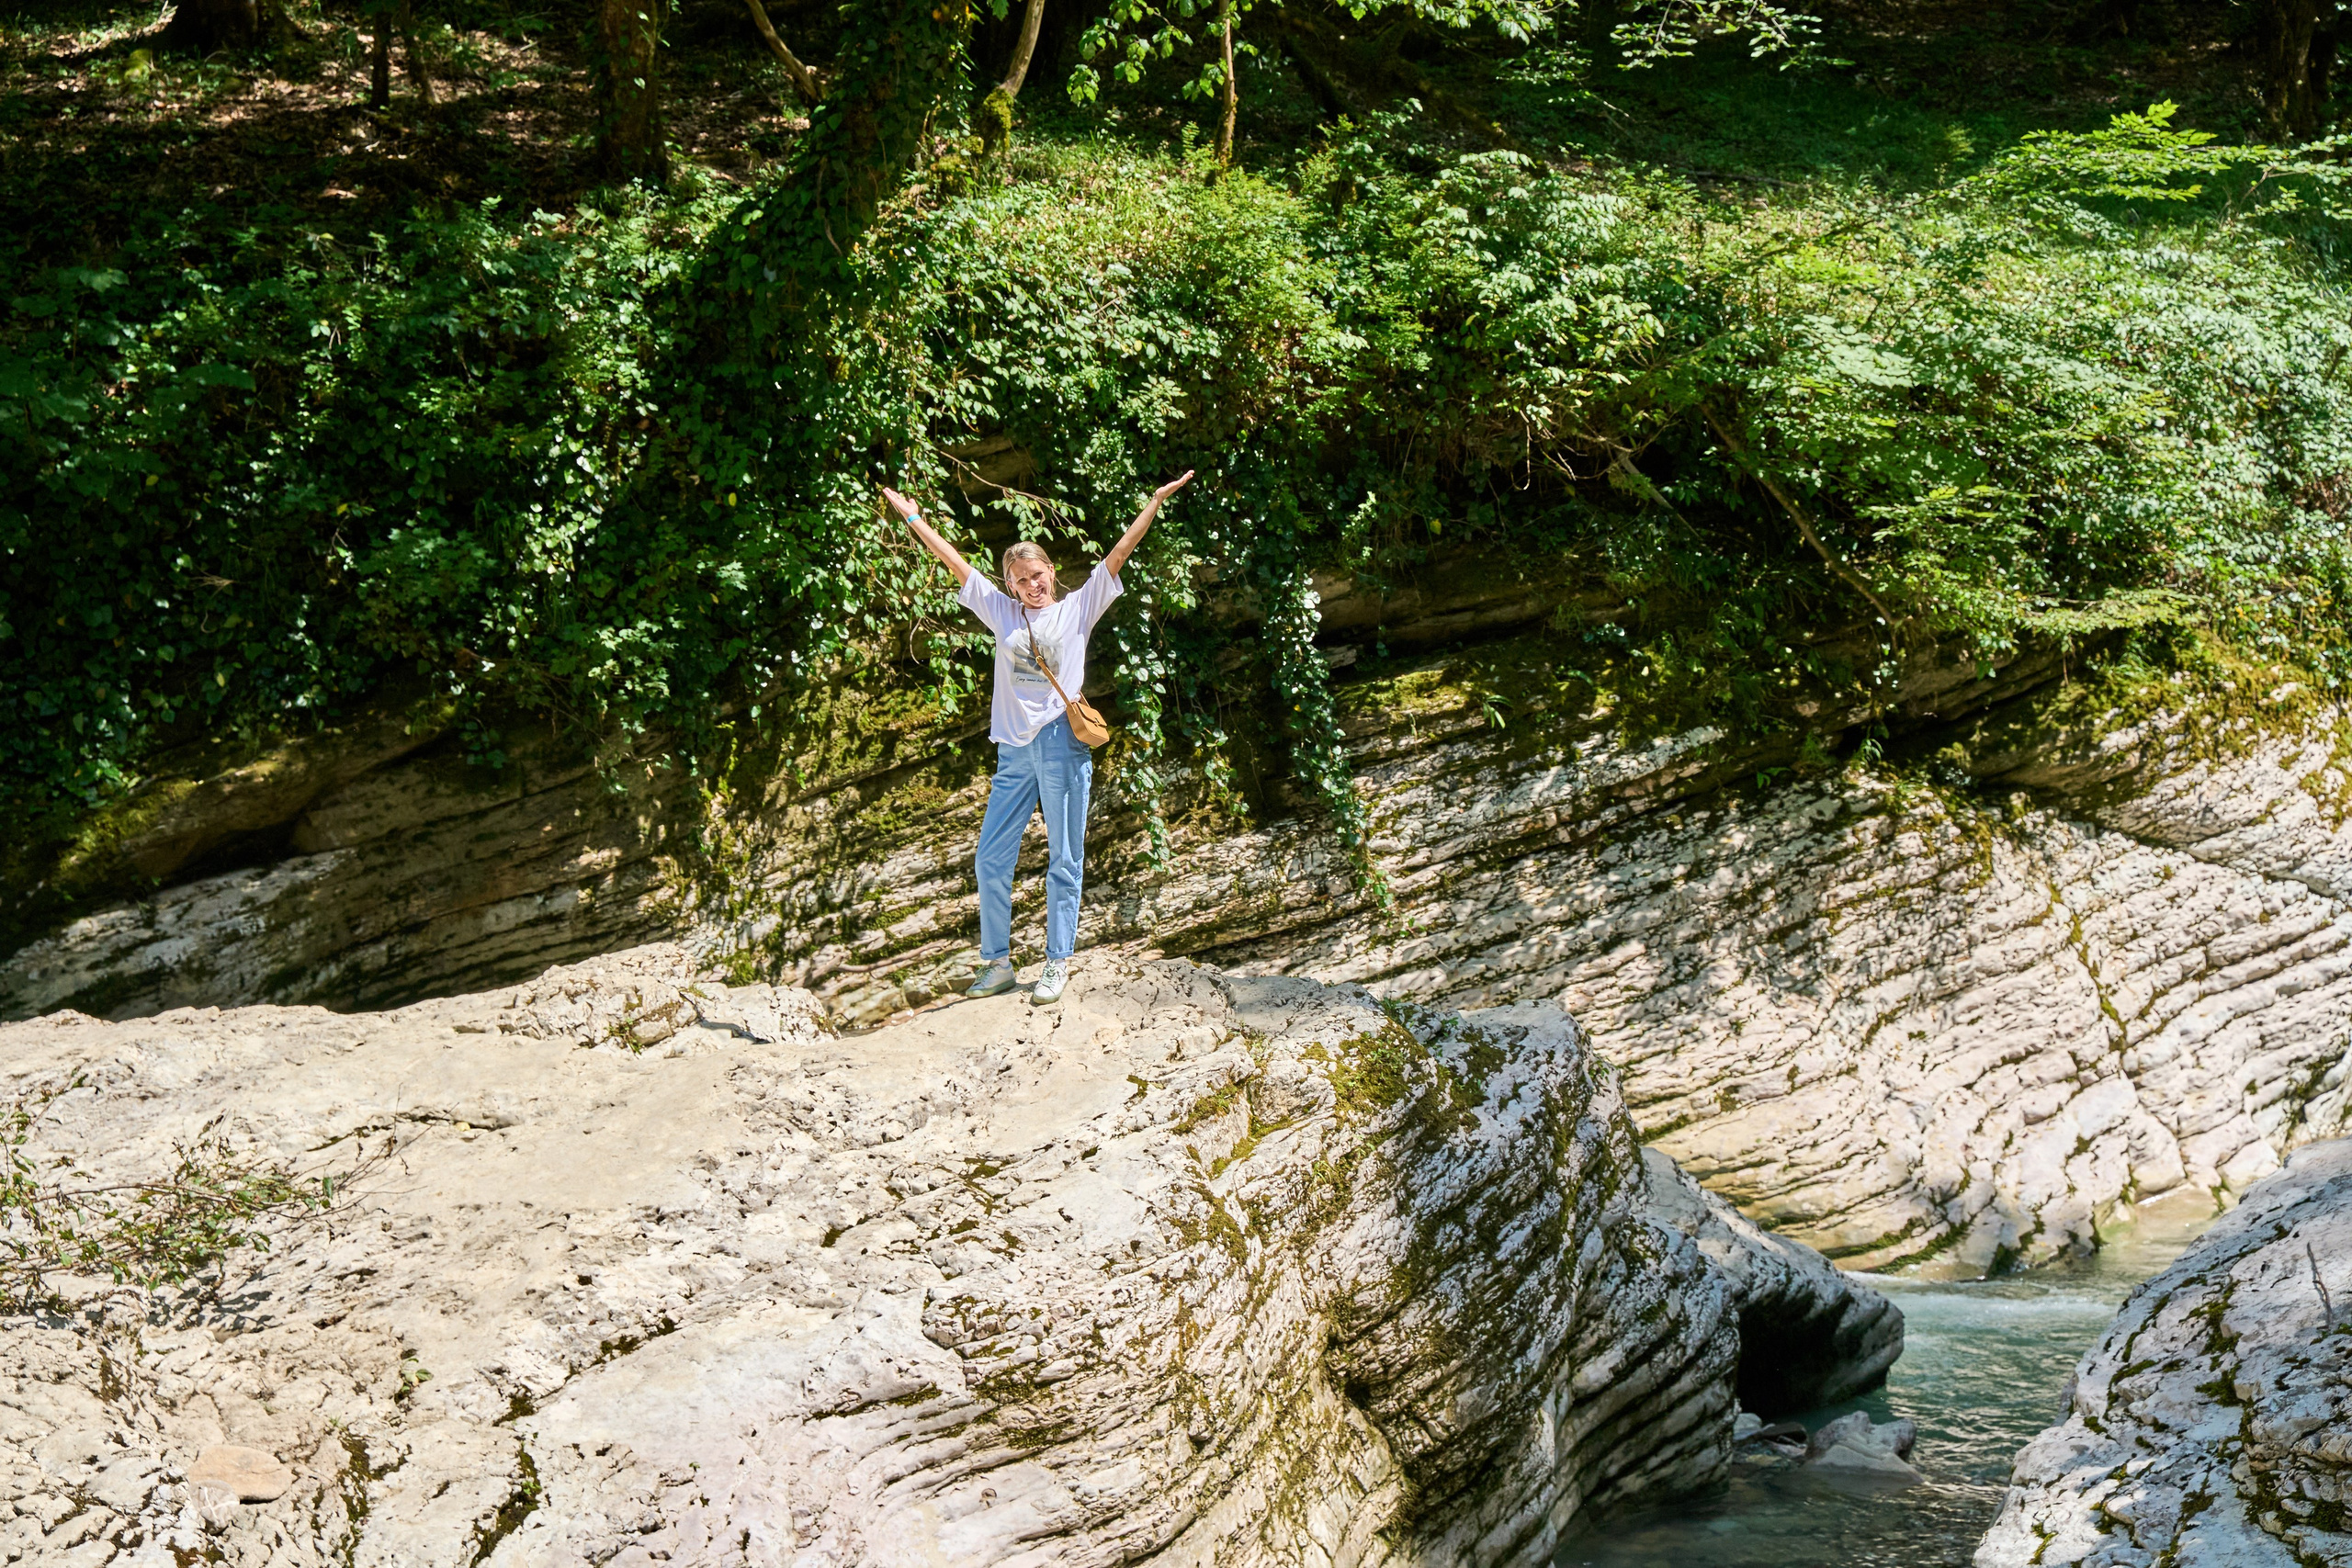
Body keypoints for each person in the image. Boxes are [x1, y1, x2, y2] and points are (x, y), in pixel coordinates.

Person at [880, 472, 1194, 1004]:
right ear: (1010, 586)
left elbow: (1118, 553)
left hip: (1061, 745)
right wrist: (913, 519)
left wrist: (1155, 502)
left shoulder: (1078, 608)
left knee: (1064, 857)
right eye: (1021, 580)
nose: (1033, 585)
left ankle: (1056, 962)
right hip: (1013, 751)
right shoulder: (1000, 611)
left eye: (1038, 574)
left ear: (1052, 572)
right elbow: (954, 562)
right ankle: (998, 964)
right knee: (990, 858)